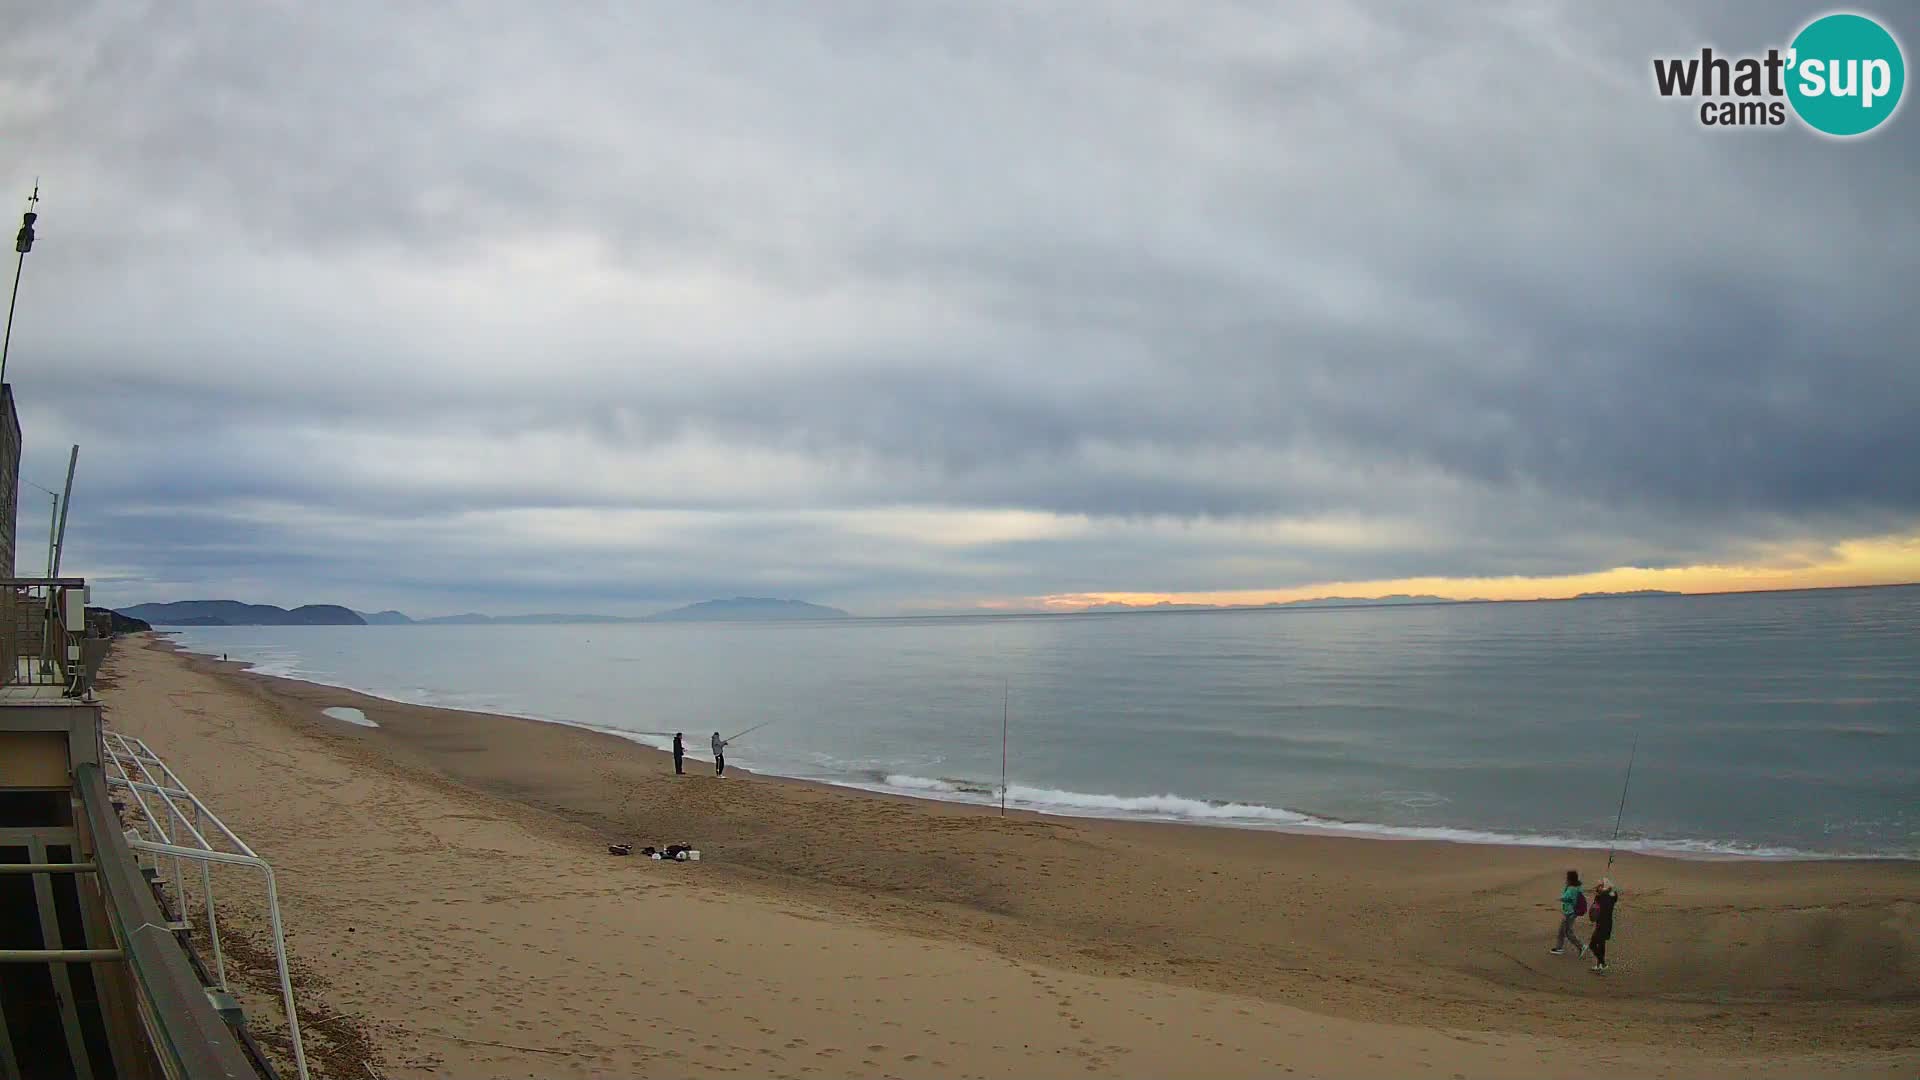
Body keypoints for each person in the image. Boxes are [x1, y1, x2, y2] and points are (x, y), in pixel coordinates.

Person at [1551, 869, 1586, 956]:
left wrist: (1560, 898)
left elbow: (1566, 897)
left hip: (1570, 912)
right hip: (1570, 912)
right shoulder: (1577, 887)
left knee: (1568, 932)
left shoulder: (1572, 889)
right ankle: (1559, 948)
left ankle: (1581, 946)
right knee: (1561, 931)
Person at [1588, 878, 1619, 972]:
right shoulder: (1612, 897)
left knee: (1592, 945)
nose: (1598, 887)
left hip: (1602, 924)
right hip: (1607, 923)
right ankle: (1600, 964)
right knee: (1601, 944)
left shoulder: (1602, 897)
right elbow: (1612, 893)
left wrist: (1602, 889)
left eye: (1601, 886)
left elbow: (1598, 898)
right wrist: (1605, 887)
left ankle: (1602, 963)